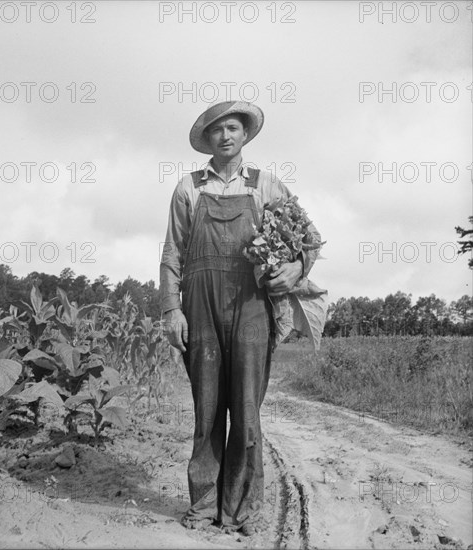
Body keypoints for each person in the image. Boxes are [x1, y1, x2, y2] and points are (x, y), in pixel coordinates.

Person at [159, 100, 321, 536]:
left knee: (246, 411)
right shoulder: (188, 188)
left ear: (244, 135)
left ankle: (242, 510)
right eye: (217, 131)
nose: (226, 136)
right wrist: (171, 309)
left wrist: (296, 268)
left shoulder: (267, 185)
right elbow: (172, 253)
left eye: (233, 128)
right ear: (207, 140)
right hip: (200, 307)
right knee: (207, 408)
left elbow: (307, 240)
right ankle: (203, 506)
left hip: (252, 307)